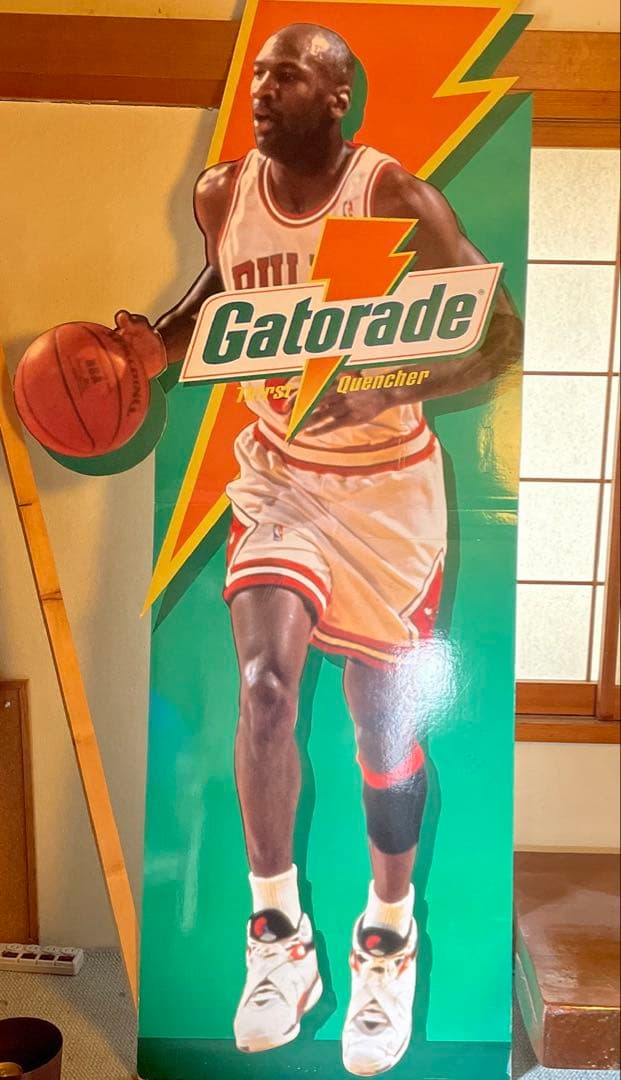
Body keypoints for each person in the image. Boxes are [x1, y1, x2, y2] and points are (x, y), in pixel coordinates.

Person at [115, 21, 521, 1077]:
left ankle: (388, 936)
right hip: (280, 477)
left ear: (338, 99)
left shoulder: (395, 197)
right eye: (259, 72)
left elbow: (499, 334)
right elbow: (221, 297)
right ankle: (277, 939)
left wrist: (388, 384)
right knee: (264, 689)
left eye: (287, 75)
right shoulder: (221, 194)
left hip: (387, 493)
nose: (262, 87)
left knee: (382, 734)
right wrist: (151, 346)